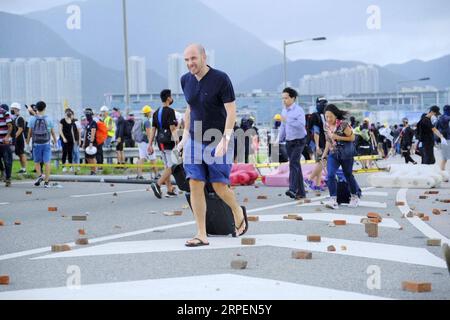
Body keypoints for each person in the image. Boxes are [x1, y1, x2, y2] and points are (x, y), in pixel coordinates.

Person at [177, 44, 247, 247]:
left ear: (204, 57)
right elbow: (190, 108)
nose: (190, 63)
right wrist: (184, 137)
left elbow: (231, 110)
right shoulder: (185, 80)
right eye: (187, 60)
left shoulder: (221, 79)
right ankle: (201, 233)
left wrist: (226, 139)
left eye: (193, 59)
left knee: (219, 186)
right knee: (195, 184)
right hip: (194, 140)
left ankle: (236, 210)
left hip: (218, 138)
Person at [322, 104, 360, 209]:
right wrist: (324, 155)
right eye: (326, 117)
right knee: (330, 175)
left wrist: (337, 137)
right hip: (333, 154)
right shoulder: (326, 126)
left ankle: (354, 197)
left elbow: (352, 138)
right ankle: (333, 199)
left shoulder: (343, 125)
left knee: (348, 175)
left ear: (335, 115)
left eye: (330, 116)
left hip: (346, 154)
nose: (328, 119)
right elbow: (328, 141)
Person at [279, 87, 307, 200]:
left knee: (294, 163)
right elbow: (283, 126)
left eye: (286, 98)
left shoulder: (298, 110)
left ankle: (292, 189)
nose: (284, 100)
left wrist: (288, 120)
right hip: (289, 141)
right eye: (283, 98)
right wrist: (279, 139)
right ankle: (301, 192)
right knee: (296, 165)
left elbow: (301, 124)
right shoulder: (284, 111)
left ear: (293, 98)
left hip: (299, 140)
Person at [149, 89, 178, 198]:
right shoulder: (170, 111)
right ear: (168, 98)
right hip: (169, 142)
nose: (172, 98)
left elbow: (153, 130)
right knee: (172, 166)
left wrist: (150, 144)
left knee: (167, 165)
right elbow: (173, 129)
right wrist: (178, 143)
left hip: (160, 141)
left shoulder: (156, 112)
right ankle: (158, 184)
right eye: (171, 96)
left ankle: (170, 189)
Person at [26, 101, 57, 188]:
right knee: (47, 162)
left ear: (36, 108)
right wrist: (55, 141)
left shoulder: (32, 119)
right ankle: (46, 182)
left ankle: (40, 176)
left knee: (37, 162)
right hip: (46, 143)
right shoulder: (49, 119)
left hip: (36, 143)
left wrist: (27, 144)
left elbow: (29, 133)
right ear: (45, 108)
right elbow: (52, 132)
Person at [306, 97, 327, 191]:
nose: (325, 106)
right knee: (323, 162)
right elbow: (316, 132)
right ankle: (309, 180)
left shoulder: (323, 115)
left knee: (319, 163)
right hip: (317, 143)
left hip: (321, 143)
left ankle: (317, 185)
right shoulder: (315, 116)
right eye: (323, 104)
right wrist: (317, 146)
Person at [134, 105, 158, 180]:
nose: (151, 113)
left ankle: (139, 175)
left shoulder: (140, 120)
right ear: (148, 113)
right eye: (150, 112)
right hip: (146, 142)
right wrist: (150, 144)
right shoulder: (147, 121)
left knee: (142, 158)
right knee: (152, 157)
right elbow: (148, 133)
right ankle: (157, 175)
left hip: (140, 142)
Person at [10, 102, 28, 174]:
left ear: (17, 109)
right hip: (16, 139)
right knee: (19, 153)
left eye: (13, 108)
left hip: (20, 139)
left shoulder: (20, 118)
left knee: (21, 153)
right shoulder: (14, 118)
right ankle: (22, 168)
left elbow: (20, 129)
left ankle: (24, 169)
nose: (11, 110)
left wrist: (14, 137)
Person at [59, 108, 77, 172]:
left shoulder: (71, 121)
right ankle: (63, 166)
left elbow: (72, 130)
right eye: (67, 112)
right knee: (64, 152)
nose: (68, 114)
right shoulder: (62, 120)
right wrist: (63, 138)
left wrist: (74, 139)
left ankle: (70, 166)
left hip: (70, 139)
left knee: (70, 152)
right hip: (64, 138)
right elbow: (60, 130)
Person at [0, 104, 13, 187]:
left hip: (4, 142)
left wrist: (7, 136)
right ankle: (2, 170)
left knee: (7, 161)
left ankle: (8, 178)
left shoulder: (4, 112)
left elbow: (10, 126)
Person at [82, 108, 98, 175]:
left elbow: (93, 132)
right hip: (86, 142)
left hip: (92, 142)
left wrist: (91, 142)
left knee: (92, 157)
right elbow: (86, 133)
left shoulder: (93, 123)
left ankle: (94, 171)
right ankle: (92, 170)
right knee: (88, 157)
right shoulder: (88, 123)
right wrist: (83, 143)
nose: (86, 116)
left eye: (87, 115)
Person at [436, 105, 450, 171]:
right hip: (446, 139)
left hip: (443, 139)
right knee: (444, 158)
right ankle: (442, 172)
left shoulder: (440, 117)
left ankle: (442, 171)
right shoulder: (445, 117)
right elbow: (447, 118)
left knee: (444, 158)